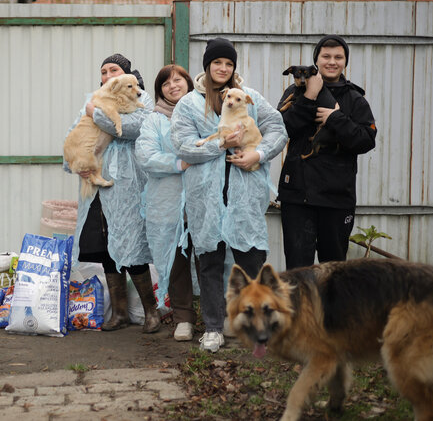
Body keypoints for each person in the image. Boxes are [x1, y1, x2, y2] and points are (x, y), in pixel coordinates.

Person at [171, 38, 287, 352]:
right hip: (205, 196)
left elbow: (278, 128)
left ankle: (254, 328)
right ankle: (212, 327)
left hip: (244, 193)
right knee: (209, 260)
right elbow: (182, 146)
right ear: (207, 65)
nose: (223, 68)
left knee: (251, 261)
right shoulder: (189, 104)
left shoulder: (252, 98)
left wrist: (259, 155)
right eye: (217, 63)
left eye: (229, 64)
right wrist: (219, 145)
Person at [65, 53, 160, 333]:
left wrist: (95, 113)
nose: (108, 75)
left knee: (132, 246)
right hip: (96, 183)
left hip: (127, 185)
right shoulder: (94, 98)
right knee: (104, 248)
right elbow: (74, 133)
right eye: (104, 71)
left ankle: (151, 311)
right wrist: (76, 163)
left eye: (114, 69)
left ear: (126, 74)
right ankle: (119, 314)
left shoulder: (141, 99)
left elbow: (134, 128)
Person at [277, 34, 376, 269]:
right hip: (298, 195)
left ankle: (331, 308)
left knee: (334, 270)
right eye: (326, 56)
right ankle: (301, 308)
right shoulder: (296, 91)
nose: (332, 62)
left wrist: (335, 118)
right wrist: (310, 96)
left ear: (345, 62)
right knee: (298, 270)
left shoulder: (354, 98)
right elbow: (282, 129)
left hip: (336, 197)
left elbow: (365, 141)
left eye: (338, 57)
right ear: (316, 61)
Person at [136, 64, 199, 342]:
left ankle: (214, 317)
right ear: (159, 91)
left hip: (202, 197)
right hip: (169, 201)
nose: (173, 86)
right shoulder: (154, 120)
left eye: (178, 80)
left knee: (211, 259)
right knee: (177, 262)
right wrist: (179, 163)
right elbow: (146, 156)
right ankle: (183, 317)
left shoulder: (204, 111)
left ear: (188, 82)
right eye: (166, 83)